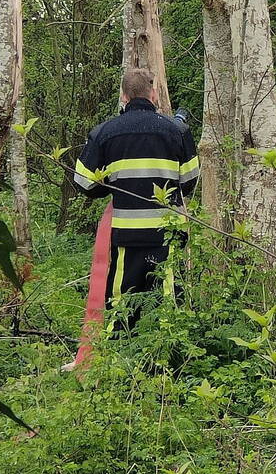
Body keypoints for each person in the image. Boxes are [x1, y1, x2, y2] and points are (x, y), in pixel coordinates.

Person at [72, 68, 199, 330]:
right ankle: (163, 361)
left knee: (121, 301)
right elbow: (189, 181)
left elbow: (82, 181)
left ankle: (117, 360)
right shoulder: (177, 131)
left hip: (126, 235)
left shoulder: (104, 132)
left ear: (124, 96)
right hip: (167, 234)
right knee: (167, 301)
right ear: (153, 94)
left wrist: (111, 185)